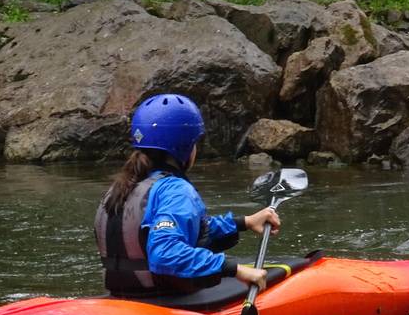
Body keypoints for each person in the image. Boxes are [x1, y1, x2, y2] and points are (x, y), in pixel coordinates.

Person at [94, 93, 281, 297]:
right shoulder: (175, 190)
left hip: (122, 297)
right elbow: (165, 254)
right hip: (165, 301)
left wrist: (243, 222)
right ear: (184, 147)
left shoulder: (122, 187)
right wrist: (234, 268)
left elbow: (190, 229)